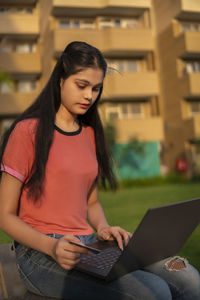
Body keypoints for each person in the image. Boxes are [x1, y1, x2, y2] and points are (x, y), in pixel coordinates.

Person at [0, 41, 199, 300]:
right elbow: (4, 215)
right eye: (81, 86)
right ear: (60, 80)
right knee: (154, 292)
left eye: (96, 88)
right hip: (39, 254)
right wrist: (51, 245)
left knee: (187, 276)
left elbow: (91, 202)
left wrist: (104, 227)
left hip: (89, 246)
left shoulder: (90, 134)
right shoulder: (27, 132)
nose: (89, 96)